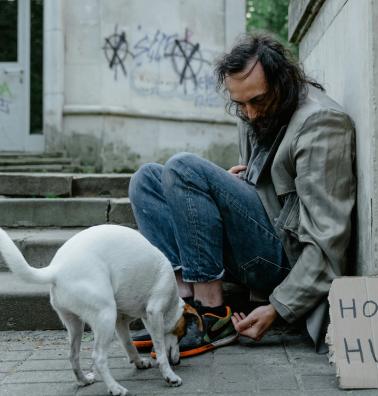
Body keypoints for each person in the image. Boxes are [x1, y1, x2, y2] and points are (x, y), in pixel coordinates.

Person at [128, 33, 356, 356]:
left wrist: (278, 308)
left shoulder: (322, 123)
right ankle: (177, 309)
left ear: (284, 82)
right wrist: (240, 183)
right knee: (146, 180)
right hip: (259, 237)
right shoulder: (254, 112)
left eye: (257, 102)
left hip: (287, 262)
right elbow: (264, 185)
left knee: (183, 167)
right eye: (240, 104)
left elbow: (327, 244)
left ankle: (211, 317)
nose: (249, 114)